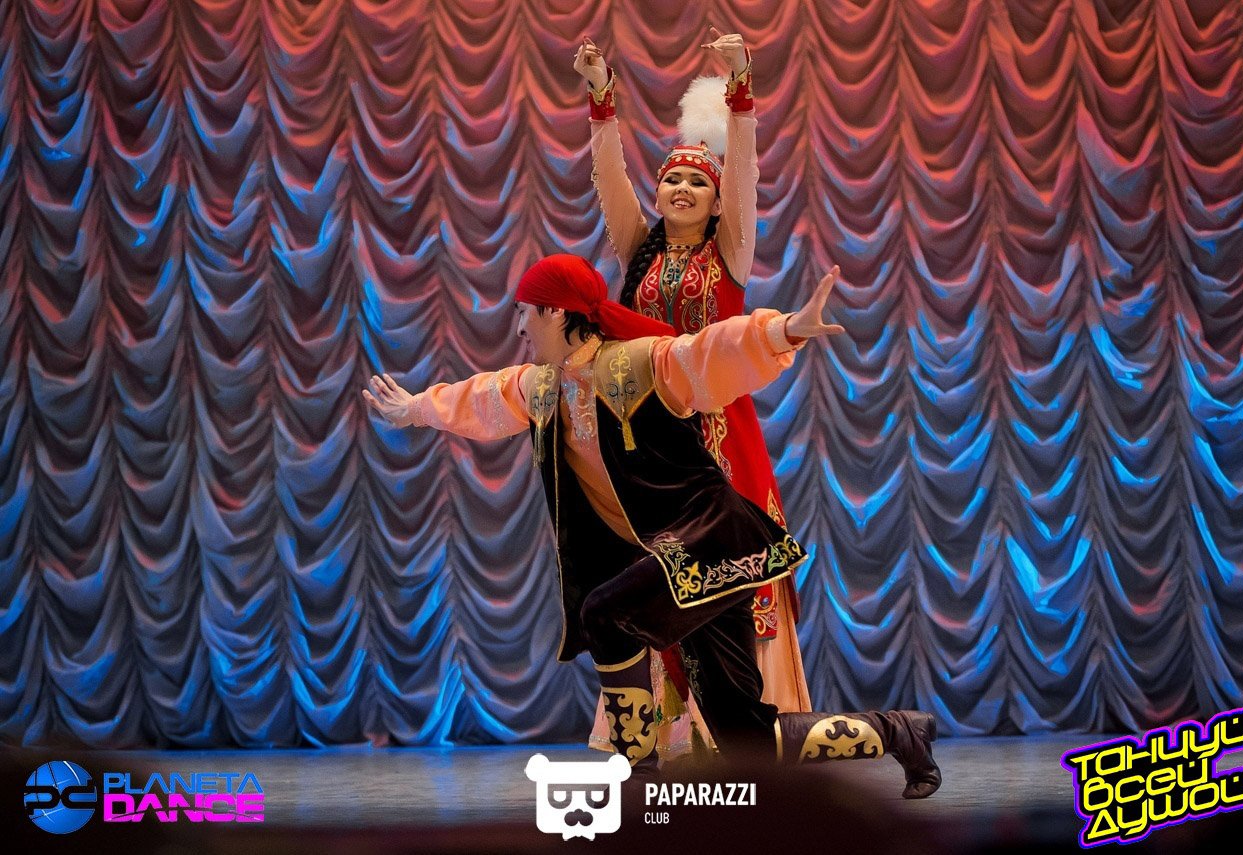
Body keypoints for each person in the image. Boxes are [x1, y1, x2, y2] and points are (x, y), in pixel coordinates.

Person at [363, 255, 941, 799]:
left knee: (601, 612)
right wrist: (414, 409)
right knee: (748, 742)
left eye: (524, 312)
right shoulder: (541, 388)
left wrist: (784, 330)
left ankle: (637, 773)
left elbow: (709, 351)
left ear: (556, 312)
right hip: (685, 563)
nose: (518, 328)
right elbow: (483, 397)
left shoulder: (638, 364)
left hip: (713, 542)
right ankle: (900, 731)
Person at [574, 29, 813, 757]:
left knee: (730, 585)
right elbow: (610, 183)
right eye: (671, 180)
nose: (681, 188)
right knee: (654, 578)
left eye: (697, 183)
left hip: (723, 443)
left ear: (714, 202)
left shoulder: (728, 253)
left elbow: (745, 177)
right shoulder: (639, 253)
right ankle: (661, 743)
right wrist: (601, 101)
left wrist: (741, 90)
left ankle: (746, 738)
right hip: (654, 448)